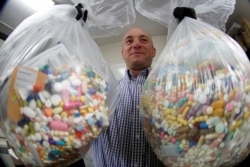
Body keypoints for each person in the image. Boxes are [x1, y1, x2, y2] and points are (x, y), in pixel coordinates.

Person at [92, 27, 165, 167]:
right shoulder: (103, 91)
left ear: (153, 51)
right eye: (129, 41)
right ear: (122, 53)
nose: (136, 44)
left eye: (143, 40)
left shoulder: (171, 90)